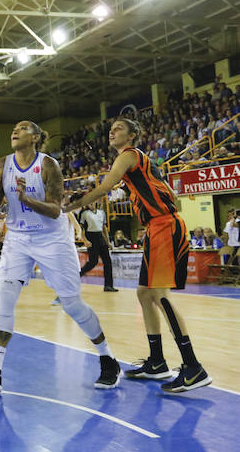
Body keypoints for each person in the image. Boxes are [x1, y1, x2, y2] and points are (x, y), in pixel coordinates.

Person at [0, 120, 121, 392]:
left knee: (72, 304)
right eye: (13, 128)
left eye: (22, 128)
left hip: (52, 239)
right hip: (18, 238)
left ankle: (108, 358)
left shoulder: (49, 166)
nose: (15, 130)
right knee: (5, 295)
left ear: (35, 137)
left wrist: (28, 200)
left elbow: (55, 209)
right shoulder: (3, 163)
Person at [65, 117, 211, 393]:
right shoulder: (139, 165)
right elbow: (169, 194)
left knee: (159, 294)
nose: (112, 131)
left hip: (164, 226)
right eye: (111, 128)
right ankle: (157, 362)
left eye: (118, 128)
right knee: (144, 294)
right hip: (157, 226)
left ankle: (193, 367)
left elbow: (105, 186)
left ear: (132, 136)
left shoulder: (129, 156)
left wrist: (72, 205)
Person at [78, 201, 117, 292]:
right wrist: (85, 240)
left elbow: (104, 228)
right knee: (93, 262)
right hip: (91, 237)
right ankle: (77, 276)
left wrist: (108, 242)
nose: (90, 203)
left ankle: (108, 285)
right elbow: (81, 229)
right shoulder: (84, 214)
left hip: (100, 237)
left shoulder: (102, 213)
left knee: (108, 262)